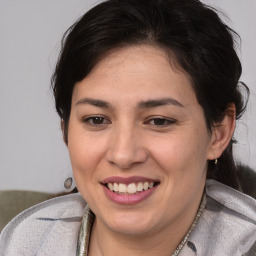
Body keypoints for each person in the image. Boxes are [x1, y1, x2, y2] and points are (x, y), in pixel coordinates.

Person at [0, 0, 255, 255]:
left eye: (159, 121)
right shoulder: (13, 233)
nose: (123, 155)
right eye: (96, 119)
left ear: (219, 132)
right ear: (66, 130)